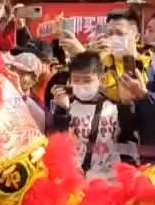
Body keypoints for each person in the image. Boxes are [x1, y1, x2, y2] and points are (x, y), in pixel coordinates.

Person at [49, 51, 123, 180]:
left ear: (100, 79)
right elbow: (56, 140)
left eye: (87, 80)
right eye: (76, 80)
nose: (82, 85)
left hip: (108, 181)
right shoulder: (66, 107)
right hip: (74, 181)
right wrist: (62, 111)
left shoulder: (114, 108)